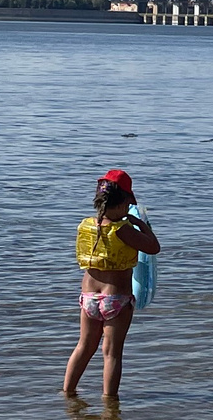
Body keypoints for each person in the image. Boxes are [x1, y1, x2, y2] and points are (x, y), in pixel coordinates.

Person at [64, 169, 160, 400]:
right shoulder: (123, 230)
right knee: (112, 354)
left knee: (84, 347)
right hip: (115, 300)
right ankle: (109, 403)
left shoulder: (86, 226)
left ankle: (67, 392)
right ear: (126, 202)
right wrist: (142, 224)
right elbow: (153, 248)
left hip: (88, 298)